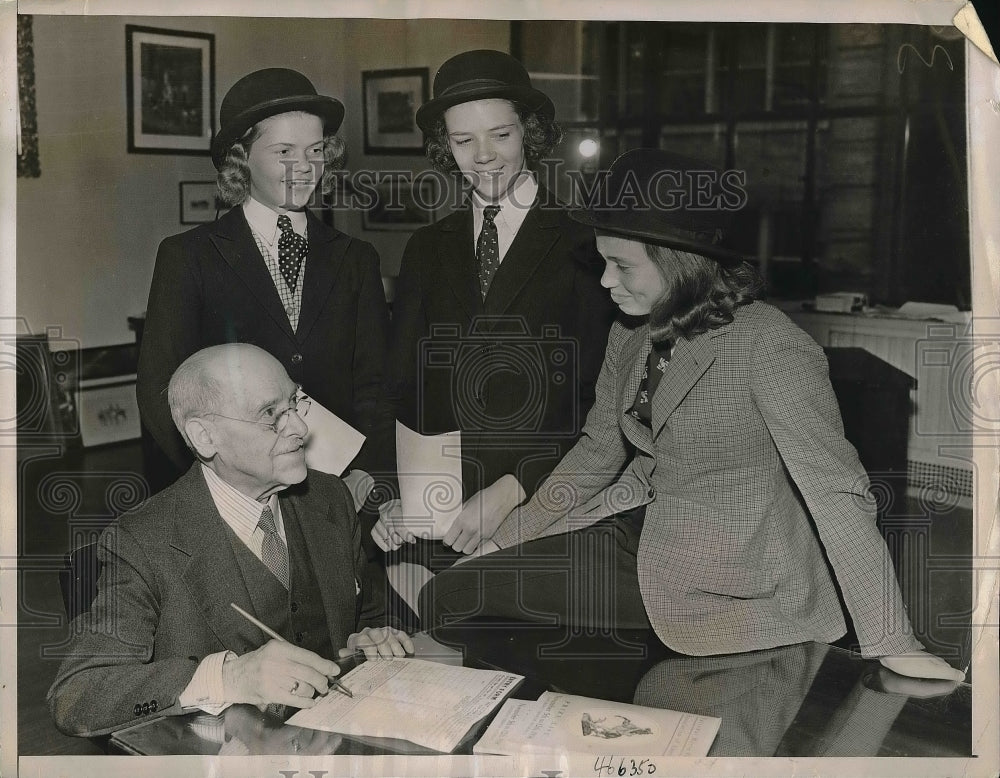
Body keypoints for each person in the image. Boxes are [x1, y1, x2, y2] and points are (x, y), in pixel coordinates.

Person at [419, 148, 966, 682]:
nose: (606, 282)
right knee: (449, 593)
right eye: (603, 262)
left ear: (679, 266)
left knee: (453, 601)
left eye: (621, 266)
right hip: (635, 528)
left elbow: (836, 493)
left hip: (727, 571)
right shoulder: (630, 333)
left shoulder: (768, 345)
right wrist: (505, 539)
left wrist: (892, 639)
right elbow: (596, 453)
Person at [48, 344, 412, 738]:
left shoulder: (329, 498)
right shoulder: (143, 543)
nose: (300, 429)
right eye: (270, 415)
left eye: (294, 403)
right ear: (205, 437)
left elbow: (377, 615)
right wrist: (228, 677)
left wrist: (367, 642)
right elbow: (76, 695)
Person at [371, 49, 615, 572]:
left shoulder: (586, 242)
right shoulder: (426, 247)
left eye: (500, 135)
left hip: (547, 509)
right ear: (445, 146)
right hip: (440, 519)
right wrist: (399, 497)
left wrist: (516, 485)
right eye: (464, 140)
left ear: (529, 132)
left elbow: (598, 396)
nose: (483, 155)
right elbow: (405, 384)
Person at [136, 68, 388, 496]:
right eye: (284, 151)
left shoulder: (356, 259)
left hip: (337, 493)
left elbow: (375, 386)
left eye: (315, 150)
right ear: (241, 159)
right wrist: (217, 482)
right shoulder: (189, 257)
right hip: (231, 492)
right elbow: (160, 391)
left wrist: (368, 474)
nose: (305, 167)